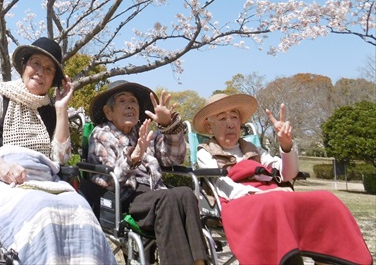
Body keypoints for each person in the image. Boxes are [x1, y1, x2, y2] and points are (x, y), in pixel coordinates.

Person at [0, 37, 116, 264]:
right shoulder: (0, 97)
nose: (40, 72)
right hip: (5, 180)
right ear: (24, 66)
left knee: (81, 208)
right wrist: (2, 167)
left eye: (48, 69)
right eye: (35, 64)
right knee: (41, 209)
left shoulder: (50, 109)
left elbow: (62, 158)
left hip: (47, 180)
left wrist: (61, 109)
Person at [193, 93, 373, 265]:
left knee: (326, 199)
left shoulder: (254, 149)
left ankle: (329, 260)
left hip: (273, 196)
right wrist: (260, 194)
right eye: (222, 118)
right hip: (237, 201)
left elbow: (288, 174)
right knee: (276, 201)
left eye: (234, 117)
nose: (231, 124)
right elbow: (221, 185)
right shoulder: (206, 151)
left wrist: (287, 146)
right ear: (209, 126)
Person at [87, 80, 209, 265]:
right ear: (108, 112)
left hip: (154, 194)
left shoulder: (144, 132)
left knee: (185, 193)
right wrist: (132, 159)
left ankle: (200, 262)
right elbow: (106, 180)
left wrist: (168, 125)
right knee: (166, 199)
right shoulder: (101, 135)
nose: (129, 105)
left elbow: (174, 158)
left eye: (133, 101)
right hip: (124, 197)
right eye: (122, 101)